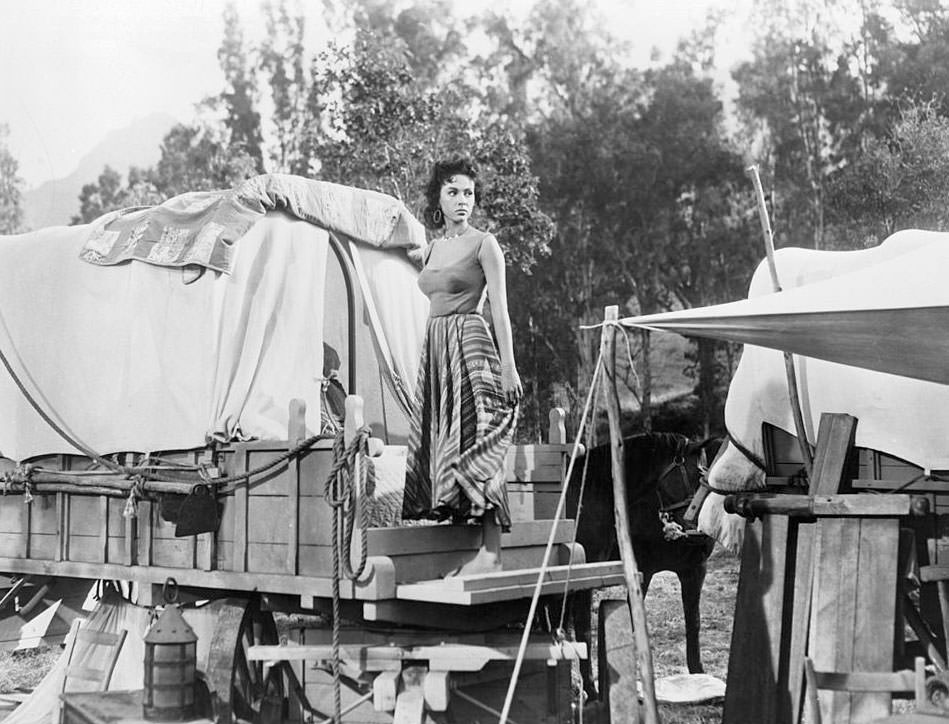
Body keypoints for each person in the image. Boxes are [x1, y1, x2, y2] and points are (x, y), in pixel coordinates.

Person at [402, 157, 523, 574]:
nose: (462, 201)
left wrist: (509, 367)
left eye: (468, 193)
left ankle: (488, 547)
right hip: (436, 348)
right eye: (453, 192)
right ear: (438, 197)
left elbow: (502, 312)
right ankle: (453, 538)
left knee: (476, 432)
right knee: (441, 433)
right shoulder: (432, 249)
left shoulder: (484, 244)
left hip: (470, 343)